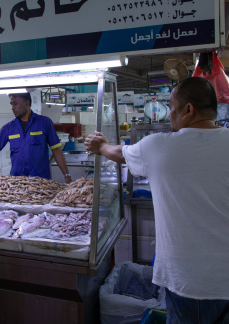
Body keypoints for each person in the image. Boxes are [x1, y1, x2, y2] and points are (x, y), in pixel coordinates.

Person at [84, 77, 229, 323]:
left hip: (187, 281)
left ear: (188, 109)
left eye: (171, 107)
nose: (169, 114)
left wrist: (100, 145)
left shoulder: (160, 146)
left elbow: (117, 153)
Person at [0, 93, 72, 183]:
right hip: (17, 181)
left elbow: (56, 150)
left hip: (41, 180)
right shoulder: (8, 128)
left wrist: (66, 175)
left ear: (26, 103)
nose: (12, 107)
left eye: (15, 104)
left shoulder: (45, 123)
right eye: (11, 104)